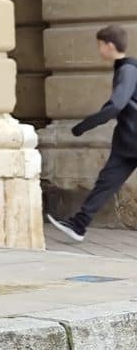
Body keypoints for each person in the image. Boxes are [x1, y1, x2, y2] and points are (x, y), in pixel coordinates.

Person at [48, 24, 137, 243]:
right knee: (106, 183)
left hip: (132, 140)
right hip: (127, 143)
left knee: (106, 183)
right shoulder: (126, 68)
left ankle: (79, 224)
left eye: (99, 45)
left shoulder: (128, 70)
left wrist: (84, 126)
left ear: (109, 45)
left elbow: (116, 105)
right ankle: (79, 225)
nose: (99, 51)